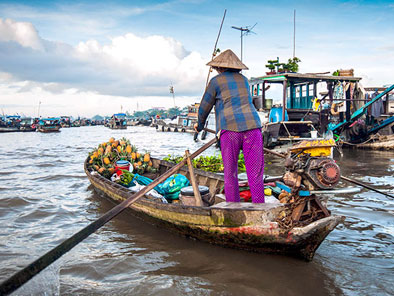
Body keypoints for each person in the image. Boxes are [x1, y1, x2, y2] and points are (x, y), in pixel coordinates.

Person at [194, 49, 264, 203]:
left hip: (230, 130)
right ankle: (260, 207)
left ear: (220, 67)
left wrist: (199, 126)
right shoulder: (244, 80)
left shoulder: (215, 81)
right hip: (253, 128)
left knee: (230, 173)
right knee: (255, 173)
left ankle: (233, 206)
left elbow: (205, 106)